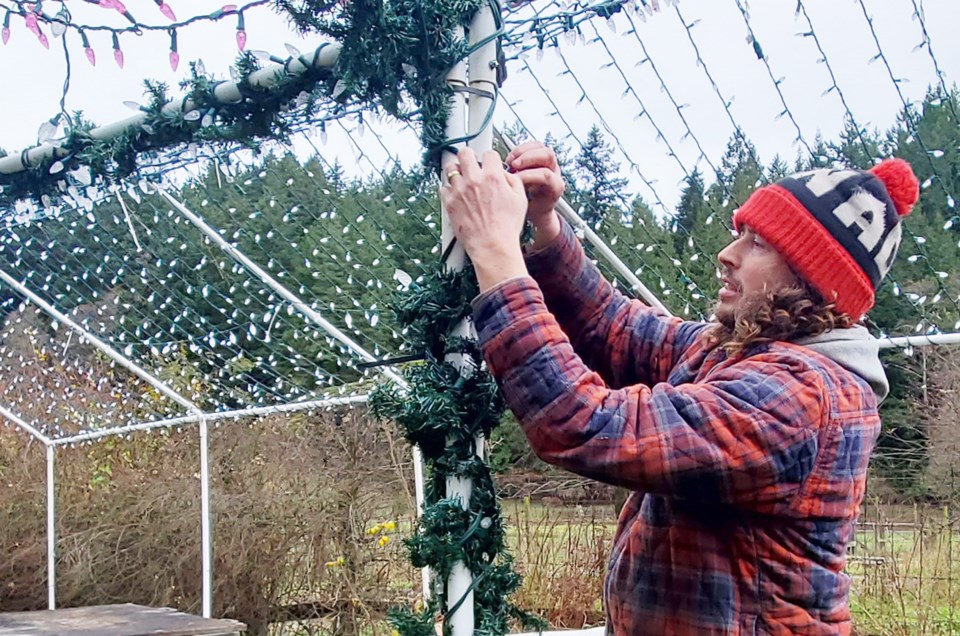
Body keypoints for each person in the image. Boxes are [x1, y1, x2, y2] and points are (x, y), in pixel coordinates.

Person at [439, 141, 919, 635]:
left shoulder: (800, 397)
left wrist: (496, 253)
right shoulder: (737, 352)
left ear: (811, 277)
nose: (727, 254)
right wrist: (544, 228)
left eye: (758, 242)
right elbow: (612, 326)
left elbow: (583, 422)